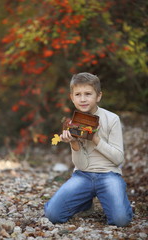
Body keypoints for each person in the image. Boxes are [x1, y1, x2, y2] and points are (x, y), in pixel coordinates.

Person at [44, 72, 133, 227]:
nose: (83, 99)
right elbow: (83, 166)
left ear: (98, 96)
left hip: (109, 175)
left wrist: (95, 139)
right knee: (53, 215)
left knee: (121, 220)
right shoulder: (73, 123)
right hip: (83, 176)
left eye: (88, 94)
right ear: (72, 98)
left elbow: (118, 159)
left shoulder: (112, 119)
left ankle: (118, 204)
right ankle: (84, 204)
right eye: (78, 94)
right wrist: (74, 144)